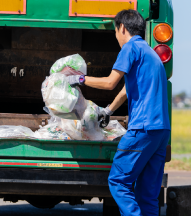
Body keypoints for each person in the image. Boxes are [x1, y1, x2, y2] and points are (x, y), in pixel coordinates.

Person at [67, 9, 170, 216]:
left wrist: (80, 79)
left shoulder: (130, 48)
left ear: (122, 28)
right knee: (148, 195)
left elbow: (110, 82)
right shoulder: (150, 53)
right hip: (161, 131)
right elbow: (126, 89)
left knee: (118, 181)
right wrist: (109, 110)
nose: (116, 36)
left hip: (142, 129)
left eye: (115, 31)